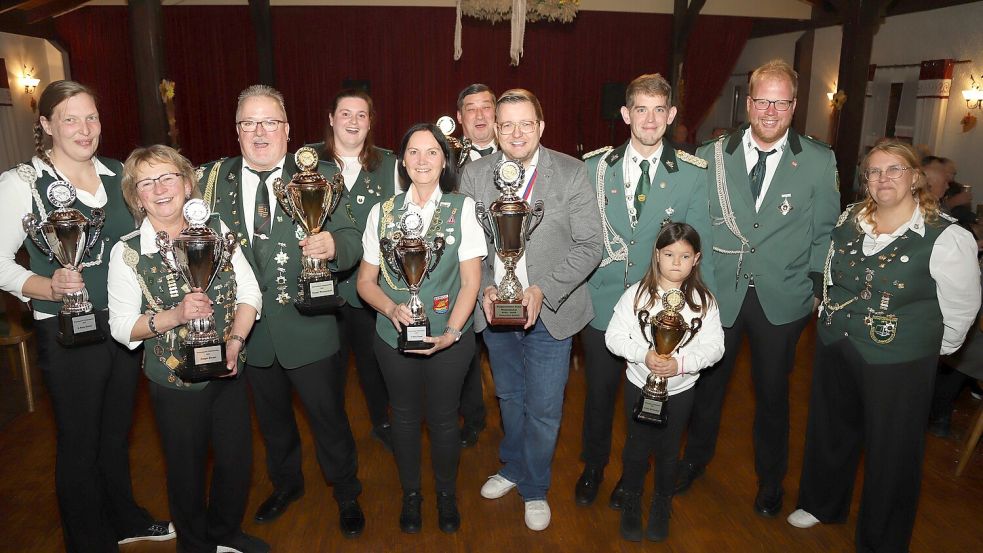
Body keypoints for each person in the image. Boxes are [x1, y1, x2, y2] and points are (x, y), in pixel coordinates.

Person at [0, 80, 173, 552]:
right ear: (46, 124)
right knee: (79, 441)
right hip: (66, 331)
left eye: (91, 117)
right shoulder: (23, 183)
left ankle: (124, 519)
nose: (84, 128)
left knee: (116, 435)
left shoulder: (119, 174)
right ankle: (87, 541)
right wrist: (46, 285)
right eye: (70, 118)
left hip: (121, 327)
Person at [787, 140, 980, 553]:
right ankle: (822, 503)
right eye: (874, 172)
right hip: (837, 340)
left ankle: (882, 541)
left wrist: (929, 348)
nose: (883, 179)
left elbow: (962, 307)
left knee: (893, 450)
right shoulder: (851, 218)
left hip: (901, 357)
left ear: (915, 177)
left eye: (894, 170)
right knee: (830, 429)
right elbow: (831, 272)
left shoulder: (947, 236)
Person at [197, 84, 366, 536]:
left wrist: (333, 244)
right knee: (271, 423)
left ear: (287, 130)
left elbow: (353, 239)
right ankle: (287, 484)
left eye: (269, 121)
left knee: (328, 418)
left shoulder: (319, 174)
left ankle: (346, 491)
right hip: (248, 332)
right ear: (236, 132)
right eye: (248, 123)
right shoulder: (214, 180)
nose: (259, 132)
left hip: (309, 326)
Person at [675, 59, 841, 519]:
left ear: (793, 105)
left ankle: (771, 481)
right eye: (762, 100)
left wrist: (812, 285)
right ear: (748, 104)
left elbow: (825, 231)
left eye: (780, 102)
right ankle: (694, 460)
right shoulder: (710, 155)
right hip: (716, 295)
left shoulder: (819, 159)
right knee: (706, 389)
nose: (770, 110)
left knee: (772, 397)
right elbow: (692, 223)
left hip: (781, 297)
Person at [107, 145, 265, 553]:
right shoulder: (128, 252)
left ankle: (224, 533)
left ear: (187, 183)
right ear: (135, 196)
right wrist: (176, 316)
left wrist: (235, 340)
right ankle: (194, 546)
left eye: (167, 177)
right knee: (186, 472)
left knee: (236, 463)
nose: (159, 189)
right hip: (174, 382)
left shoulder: (217, 230)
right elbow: (122, 326)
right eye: (146, 182)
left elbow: (249, 291)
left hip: (228, 367)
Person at [460, 88, 603, 531]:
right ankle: (513, 465)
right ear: (495, 130)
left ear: (541, 128)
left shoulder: (571, 173)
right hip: (495, 310)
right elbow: (465, 248)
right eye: (507, 125)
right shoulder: (474, 176)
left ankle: (535, 486)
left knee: (543, 405)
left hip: (551, 311)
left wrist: (544, 289)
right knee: (509, 396)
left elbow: (590, 245)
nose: (517, 133)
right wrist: (484, 286)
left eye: (527, 124)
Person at [577, 73, 713, 508]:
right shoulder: (595, 168)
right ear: (625, 115)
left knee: (648, 397)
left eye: (659, 110)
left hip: (664, 308)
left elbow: (695, 246)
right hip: (601, 302)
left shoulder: (693, 174)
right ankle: (593, 466)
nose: (650, 119)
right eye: (641, 109)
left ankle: (632, 474)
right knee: (598, 395)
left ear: (671, 115)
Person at [356, 123, 486, 534]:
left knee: (446, 420)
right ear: (402, 160)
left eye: (432, 152)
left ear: (445, 160)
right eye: (413, 152)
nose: (423, 160)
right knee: (406, 420)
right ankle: (411, 494)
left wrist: (452, 332)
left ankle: (445, 494)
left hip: (451, 338)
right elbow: (364, 282)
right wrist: (393, 309)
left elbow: (471, 282)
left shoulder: (461, 208)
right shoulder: (383, 211)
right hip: (392, 338)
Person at [605, 222, 724, 543]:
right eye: (669, 254)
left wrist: (681, 363)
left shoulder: (703, 302)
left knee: (670, 452)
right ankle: (631, 500)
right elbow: (613, 337)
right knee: (636, 448)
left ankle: (661, 504)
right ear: (657, 255)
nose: (676, 262)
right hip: (638, 386)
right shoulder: (637, 295)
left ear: (696, 259)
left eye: (684, 256)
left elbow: (716, 347)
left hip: (680, 391)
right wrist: (643, 356)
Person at [312, 88, 398, 452]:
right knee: (325, 371)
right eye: (345, 113)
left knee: (373, 364)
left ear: (370, 122)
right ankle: (336, 437)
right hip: (319, 289)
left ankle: (382, 421)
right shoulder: (305, 163)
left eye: (361, 115)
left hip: (370, 287)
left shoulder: (392, 165)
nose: (352, 121)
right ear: (331, 118)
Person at [455, 83, 498, 447]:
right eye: (472, 109)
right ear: (460, 118)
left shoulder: (520, 155)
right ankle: (473, 417)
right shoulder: (444, 161)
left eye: (487, 107)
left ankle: (511, 415)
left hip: (508, 278)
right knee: (466, 355)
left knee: (507, 357)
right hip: (462, 279)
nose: (481, 115)